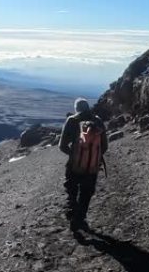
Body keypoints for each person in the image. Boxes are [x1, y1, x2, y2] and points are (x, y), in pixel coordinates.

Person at [59, 98, 108, 231]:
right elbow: (105, 146)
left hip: (74, 166)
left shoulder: (72, 120)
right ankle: (80, 219)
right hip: (92, 167)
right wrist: (94, 156)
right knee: (86, 193)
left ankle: (72, 211)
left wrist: (74, 155)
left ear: (76, 109)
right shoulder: (97, 121)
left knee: (72, 190)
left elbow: (62, 145)